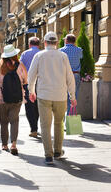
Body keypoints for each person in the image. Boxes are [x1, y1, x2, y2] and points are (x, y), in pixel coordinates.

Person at [28, 31, 76, 165]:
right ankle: (57, 151)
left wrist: (31, 91)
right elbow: (70, 77)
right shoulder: (63, 56)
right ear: (56, 43)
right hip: (60, 95)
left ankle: (48, 155)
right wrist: (72, 95)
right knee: (59, 124)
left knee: (45, 125)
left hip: (44, 95)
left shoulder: (39, 55)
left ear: (44, 43)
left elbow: (31, 75)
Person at [0, 45, 27, 155]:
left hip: (2, 98)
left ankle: (4, 144)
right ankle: (13, 144)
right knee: (14, 121)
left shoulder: (0, 66)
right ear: (15, 55)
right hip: (17, 98)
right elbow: (25, 80)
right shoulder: (20, 65)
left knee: (3, 122)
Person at [20, 37, 41, 138]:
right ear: (39, 44)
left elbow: (20, 67)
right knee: (38, 105)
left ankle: (33, 128)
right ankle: (35, 125)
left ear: (29, 44)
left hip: (27, 83)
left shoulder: (24, 54)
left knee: (29, 106)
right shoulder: (42, 53)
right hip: (40, 83)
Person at [59, 34, 83, 115]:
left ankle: (61, 121)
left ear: (66, 40)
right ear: (74, 41)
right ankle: (69, 120)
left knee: (62, 98)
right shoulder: (79, 50)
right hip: (75, 75)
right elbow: (81, 57)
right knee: (73, 98)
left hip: (64, 75)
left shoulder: (60, 50)